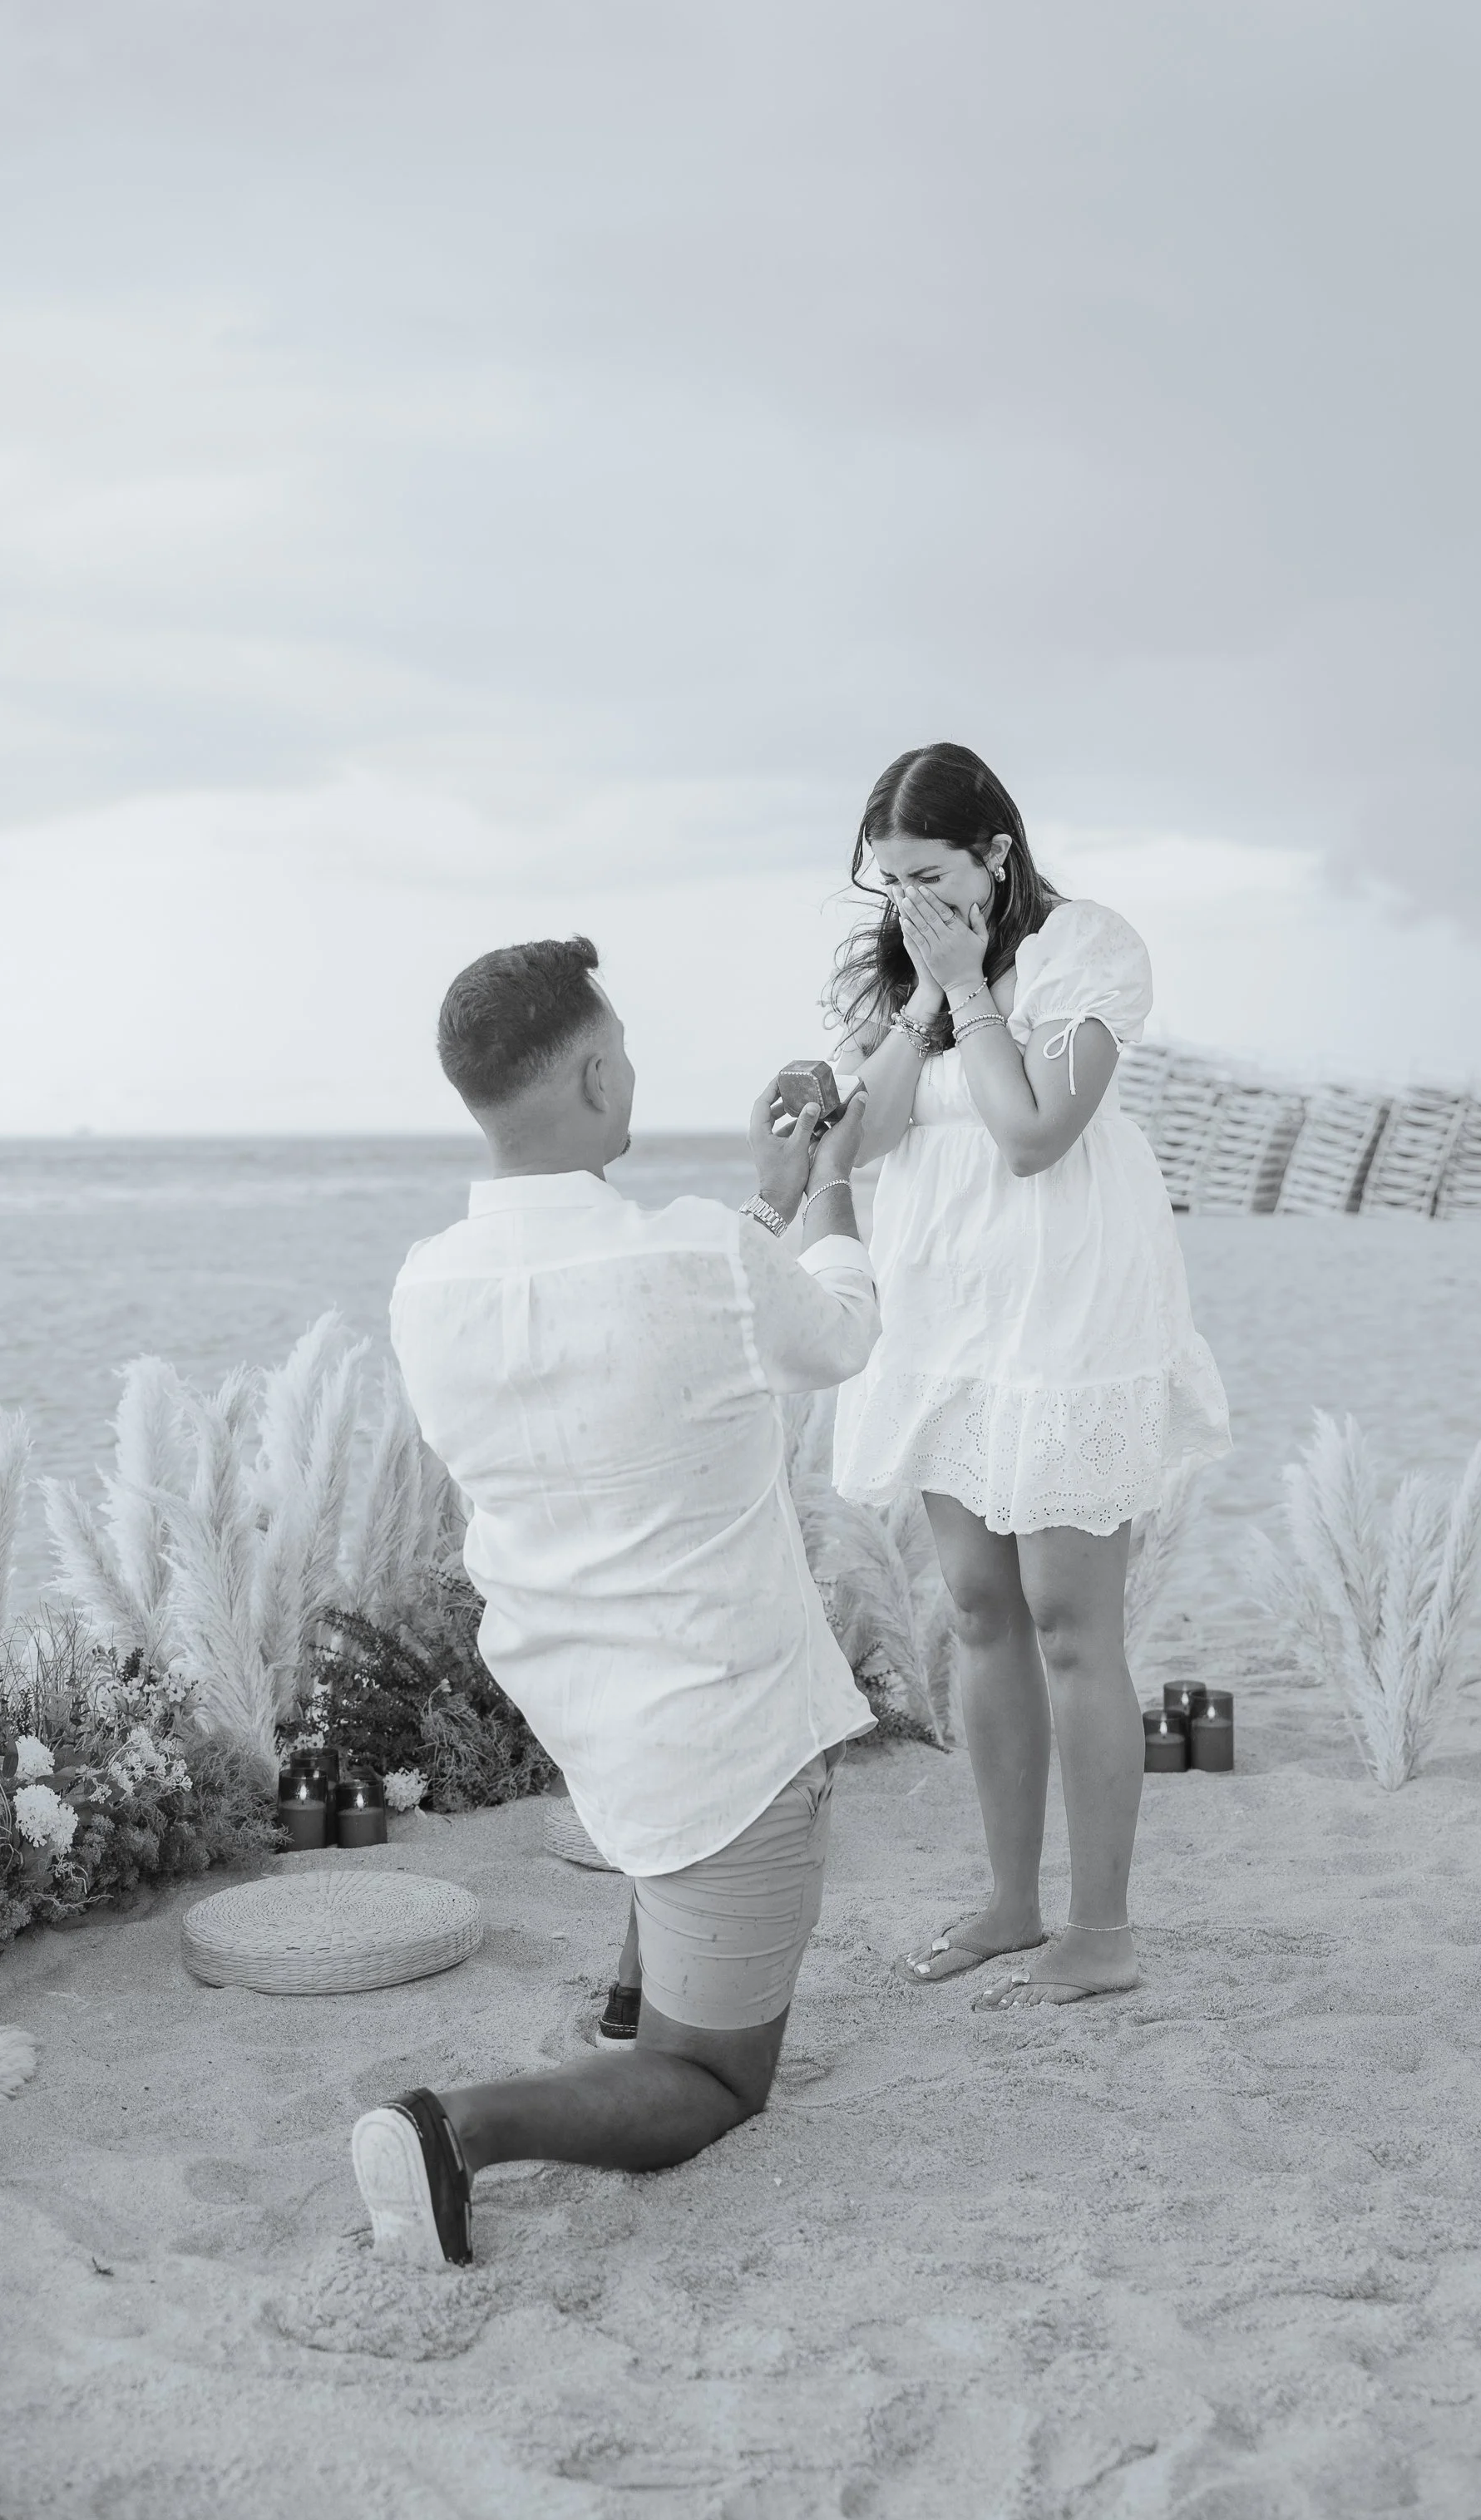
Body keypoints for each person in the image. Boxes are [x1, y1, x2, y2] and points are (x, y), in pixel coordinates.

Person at [348, 935, 877, 2267]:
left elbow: (660, 1331)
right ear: (594, 1076)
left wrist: (762, 1209)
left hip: (585, 1698)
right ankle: (451, 2130)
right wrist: (832, 1196)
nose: (632, 1073)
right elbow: (835, 1336)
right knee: (714, 2081)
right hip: (728, 1726)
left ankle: (637, 1992)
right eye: (624, 1053)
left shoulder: (429, 1284)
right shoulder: (700, 1257)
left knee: (667, 1813)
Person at [828, 745, 1231, 2010]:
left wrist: (969, 990)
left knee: (1067, 1619)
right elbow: (862, 1138)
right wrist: (920, 1001)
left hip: (1066, 1315)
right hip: (947, 1314)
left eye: (930, 874)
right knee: (977, 1608)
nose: (909, 902)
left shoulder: (1084, 950)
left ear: (996, 853)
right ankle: (1011, 1903)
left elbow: (1034, 1135)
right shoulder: (903, 976)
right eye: (890, 881)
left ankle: (1102, 1929)